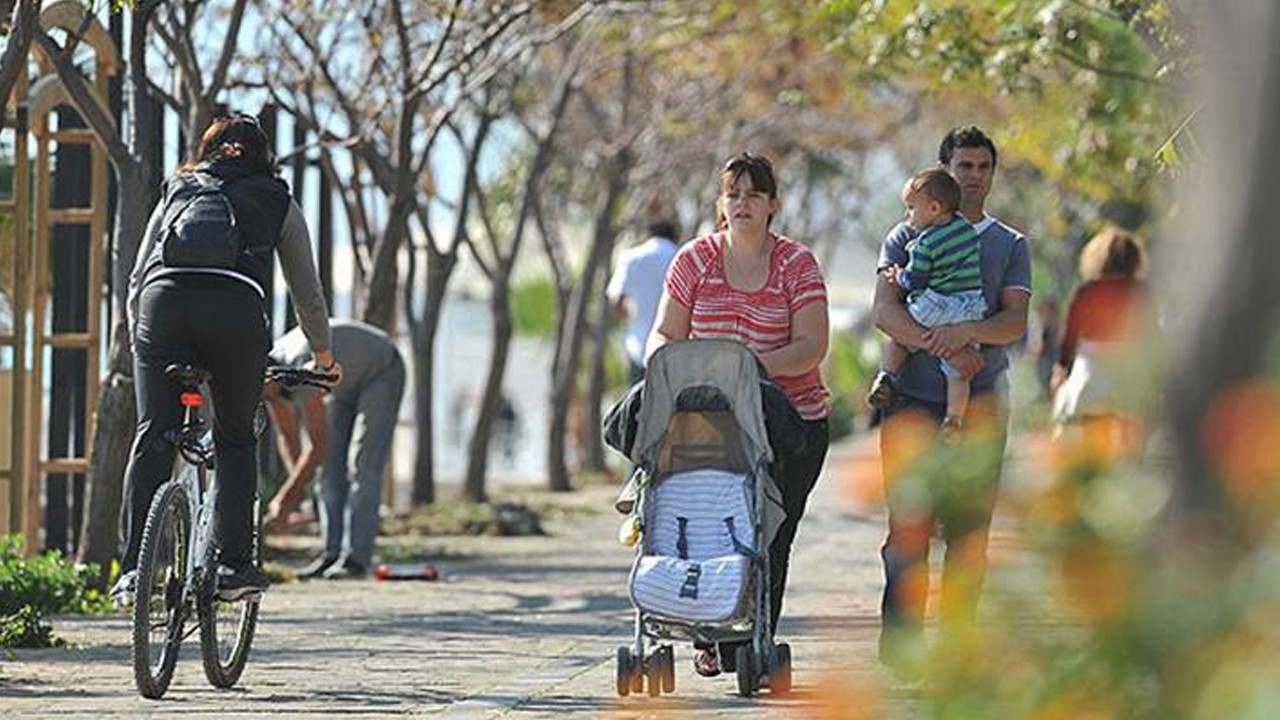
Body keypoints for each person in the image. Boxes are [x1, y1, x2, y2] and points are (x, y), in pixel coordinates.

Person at [113, 113, 337, 603]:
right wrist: (323, 356)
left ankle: (133, 572)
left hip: (162, 307)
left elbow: (138, 273)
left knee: (154, 434)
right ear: (264, 156)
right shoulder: (278, 199)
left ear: (207, 150)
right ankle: (234, 567)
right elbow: (308, 293)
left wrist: (140, 340)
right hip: (234, 313)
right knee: (235, 436)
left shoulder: (179, 187)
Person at [648, 152, 831, 678]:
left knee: (770, 532)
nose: (743, 203)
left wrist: (746, 368)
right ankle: (709, 631)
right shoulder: (695, 260)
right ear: (721, 204)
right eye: (734, 194)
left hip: (789, 421)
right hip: (711, 420)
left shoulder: (796, 264)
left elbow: (811, 346)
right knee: (707, 522)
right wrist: (673, 365)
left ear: (773, 204)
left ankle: (754, 637)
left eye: (754, 194)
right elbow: (664, 333)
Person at [871, 126, 1031, 680]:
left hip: (980, 403)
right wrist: (944, 344)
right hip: (911, 401)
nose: (974, 176)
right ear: (944, 171)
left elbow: (1013, 321)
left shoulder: (1010, 244)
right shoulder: (905, 234)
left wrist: (967, 334)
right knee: (908, 525)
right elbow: (885, 311)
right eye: (964, 166)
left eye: (983, 167)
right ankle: (903, 648)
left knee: (969, 534)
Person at [263, 319, 406, 580]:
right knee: (329, 469)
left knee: (363, 464)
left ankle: (356, 559)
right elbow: (288, 438)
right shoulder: (268, 383)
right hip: (342, 384)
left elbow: (317, 444)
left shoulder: (300, 368)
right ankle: (331, 554)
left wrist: (286, 498)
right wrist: (297, 494)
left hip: (382, 370)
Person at [867, 169, 986, 433]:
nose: (907, 215)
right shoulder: (967, 230)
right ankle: (953, 419)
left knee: (899, 335)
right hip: (969, 308)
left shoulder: (924, 243)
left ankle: (886, 376)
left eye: (911, 208)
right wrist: (954, 348)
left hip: (935, 307)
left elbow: (916, 279)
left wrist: (899, 276)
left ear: (934, 208)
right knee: (959, 375)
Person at [1051, 227, 1150, 457]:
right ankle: (1129, 469)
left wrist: (1061, 369)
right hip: (1130, 366)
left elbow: (1070, 336)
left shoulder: (1088, 291)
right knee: (1131, 437)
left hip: (1093, 367)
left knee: (1095, 436)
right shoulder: (1142, 292)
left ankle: (1100, 470)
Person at [607, 220, 680, 384]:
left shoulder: (631, 258)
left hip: (639, 348)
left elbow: (615, 301)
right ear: (674, 236)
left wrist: (633, 311)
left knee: (637, 399)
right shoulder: (680, 257)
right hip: (673, 355)